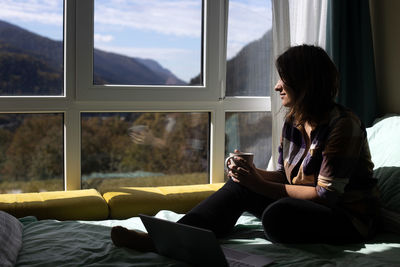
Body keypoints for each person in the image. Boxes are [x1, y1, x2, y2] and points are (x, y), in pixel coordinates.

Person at [110, 44, 380, 250]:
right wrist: (250, 174)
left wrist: (259, 184)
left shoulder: (344, 126)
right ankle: (167, 239)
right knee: (241, 186)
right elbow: (285, 180)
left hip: (347, 218)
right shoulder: (294, 122)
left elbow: (326, 195)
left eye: (283, 79)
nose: (276, 86)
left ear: (305, 83)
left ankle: (178, 238)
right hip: (306, 206)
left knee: (278, 214)